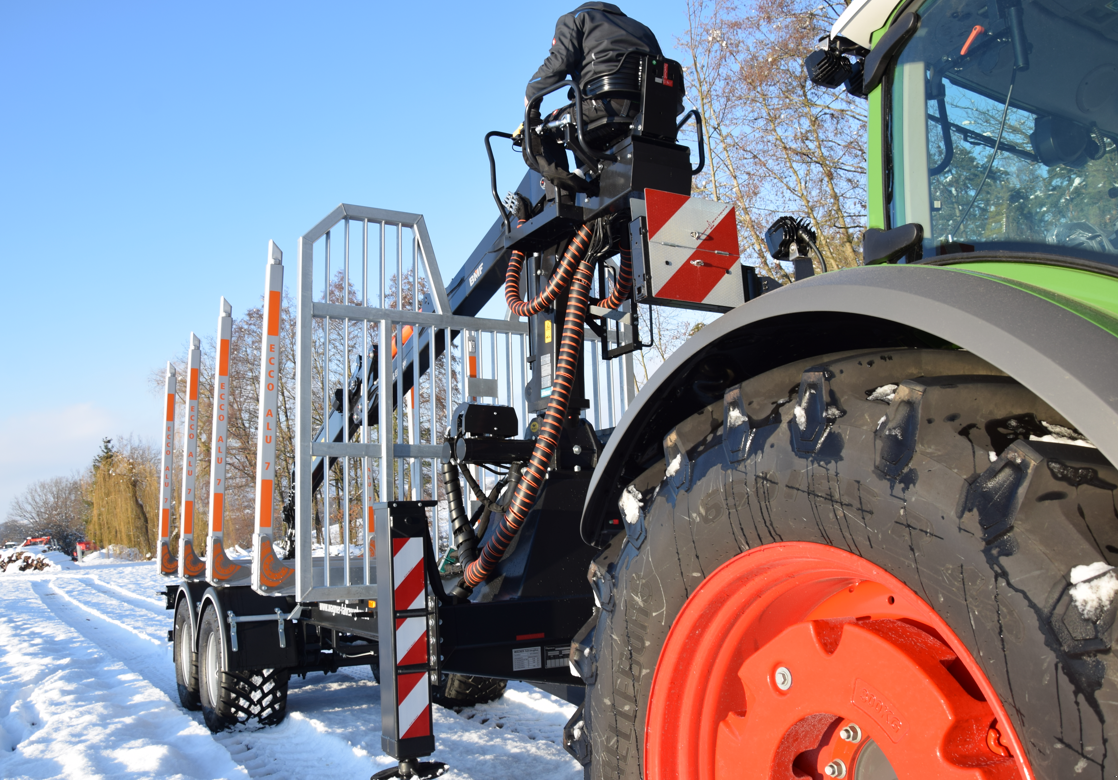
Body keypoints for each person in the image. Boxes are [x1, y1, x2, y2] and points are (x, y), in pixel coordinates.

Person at [519, 3, 663, 193]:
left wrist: (531, 93)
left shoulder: (575, 18)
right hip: (651, 113)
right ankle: (592, 176)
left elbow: (559, 62)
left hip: (606, 105)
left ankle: (567, 198)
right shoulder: (643, 30)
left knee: (546, 129)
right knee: (579, 124)